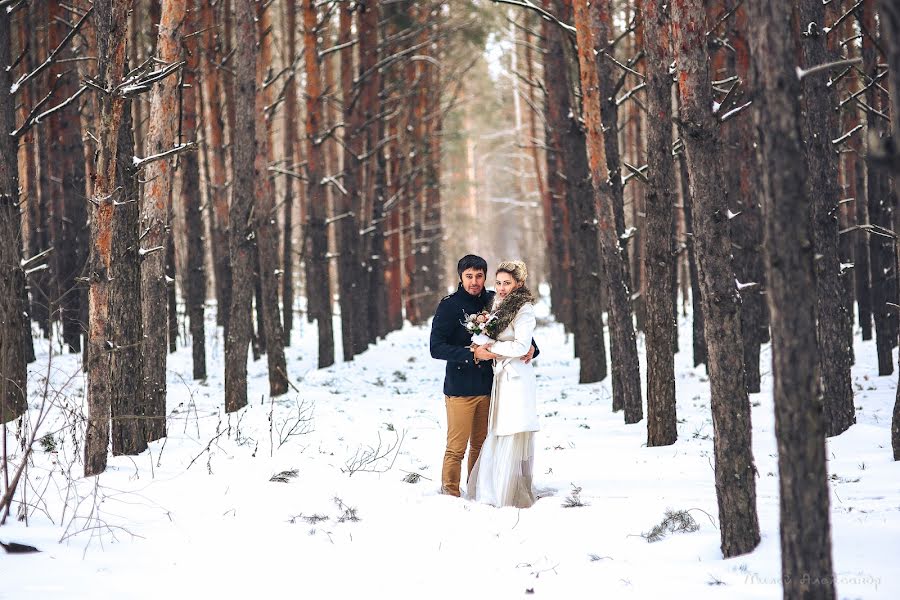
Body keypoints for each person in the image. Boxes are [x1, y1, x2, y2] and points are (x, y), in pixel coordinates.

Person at [429, 255, 537, 498]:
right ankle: (450, 493)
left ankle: (476, 490)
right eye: (469, 276)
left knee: (481, 446)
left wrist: (533, 349)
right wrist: (472, 353)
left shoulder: (493, 300)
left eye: (479, 276)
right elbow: (436, 348)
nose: (474, 282)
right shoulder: (449, 305)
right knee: (456, 448)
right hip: (459, 387)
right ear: (460, 277)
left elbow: (517, 335)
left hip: (490, 387)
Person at [467, 260, 539, 508]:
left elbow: (521, 345)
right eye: (498, 282)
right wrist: (480, 342)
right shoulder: (499, 306)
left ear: (518, 284)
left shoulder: (524, 308)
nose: (501, 287)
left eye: (507, 283)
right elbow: (493, 334)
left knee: (512, 428)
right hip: (503, 377)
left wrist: (492, 349)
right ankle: (496, 485)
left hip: (516, 377)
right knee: (499, 427)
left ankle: (510, 490)